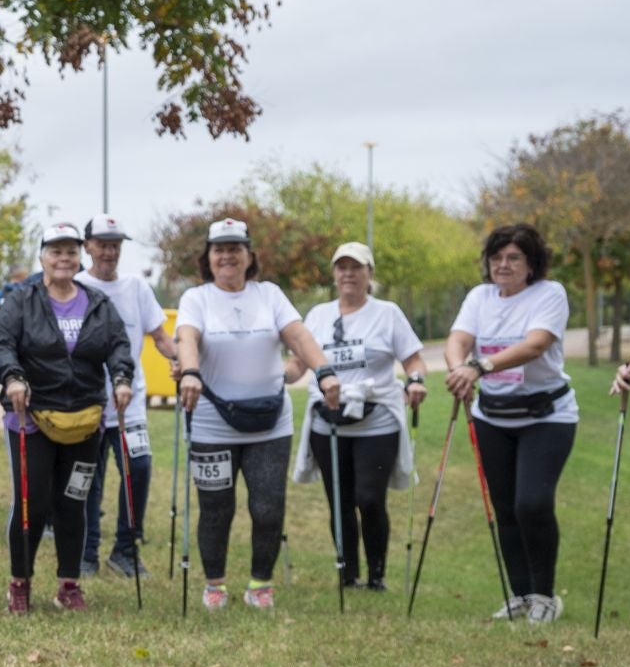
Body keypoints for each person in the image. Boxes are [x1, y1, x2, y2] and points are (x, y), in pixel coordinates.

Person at [176, 218, 341, 611]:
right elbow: (187, 338)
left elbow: (299, 335)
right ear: (208, 257)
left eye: (235, 248)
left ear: (250, 256)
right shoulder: (196, 298)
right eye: (220, 249)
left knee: (268, 506)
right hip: (212, 422)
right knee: (216, 506)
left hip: (269, 422)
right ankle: (215, 583)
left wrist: (325, 370)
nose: (227, 256)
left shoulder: (269, 294)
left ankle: (260, 583)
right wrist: (190, 372)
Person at [0, 222, 136, 613]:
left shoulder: (98, 304)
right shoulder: (21, 302)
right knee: (32, 503)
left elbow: (118, 346)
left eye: (70, 251)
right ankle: (20, 582)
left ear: (80, 257)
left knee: (73, 501)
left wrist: (122, 379)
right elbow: (2, 345)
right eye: (55, 251)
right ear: (42, 257)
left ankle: (68, 586)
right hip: (31, 419)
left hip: (85, 421)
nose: (64, 258)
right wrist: (14, 377)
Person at [443, 223, 578, 623]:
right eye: (497, 257)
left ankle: (545, 595)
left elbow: (536, 344)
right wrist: (457, 371)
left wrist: (479, 366)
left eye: (514, 257)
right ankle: (519, 593)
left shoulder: (549, 294)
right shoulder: (479, 297)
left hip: (546, 416)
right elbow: (458, 340)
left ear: (531, 263)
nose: (503, 264)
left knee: (531, 503)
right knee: (504, 507)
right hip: (493, 416)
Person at [287, 242, 428, 591]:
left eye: (357, 267)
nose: (348, 274)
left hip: (376, 418)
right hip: (328, 421)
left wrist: (416, 381)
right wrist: (275, 375)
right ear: (334, 274)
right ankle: (347, 574)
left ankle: (376, 574)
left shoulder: (387, 313)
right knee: (340, 501)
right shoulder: (318, 315)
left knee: (369, 498)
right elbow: (298, 364)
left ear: (369, 274)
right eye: (342, 267)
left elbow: (413, 360)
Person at [76, 214, 176, 579]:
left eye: (115, 244)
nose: (109, 251)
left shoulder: (136, 288)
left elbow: (161, 336)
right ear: (87, 246)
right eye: (102, 243)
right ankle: (86, 553)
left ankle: (126, 549)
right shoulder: (75, 286)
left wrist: (184, 361)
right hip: (85, 404)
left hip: (129, 404)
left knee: (139, 469)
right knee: (87, 478)